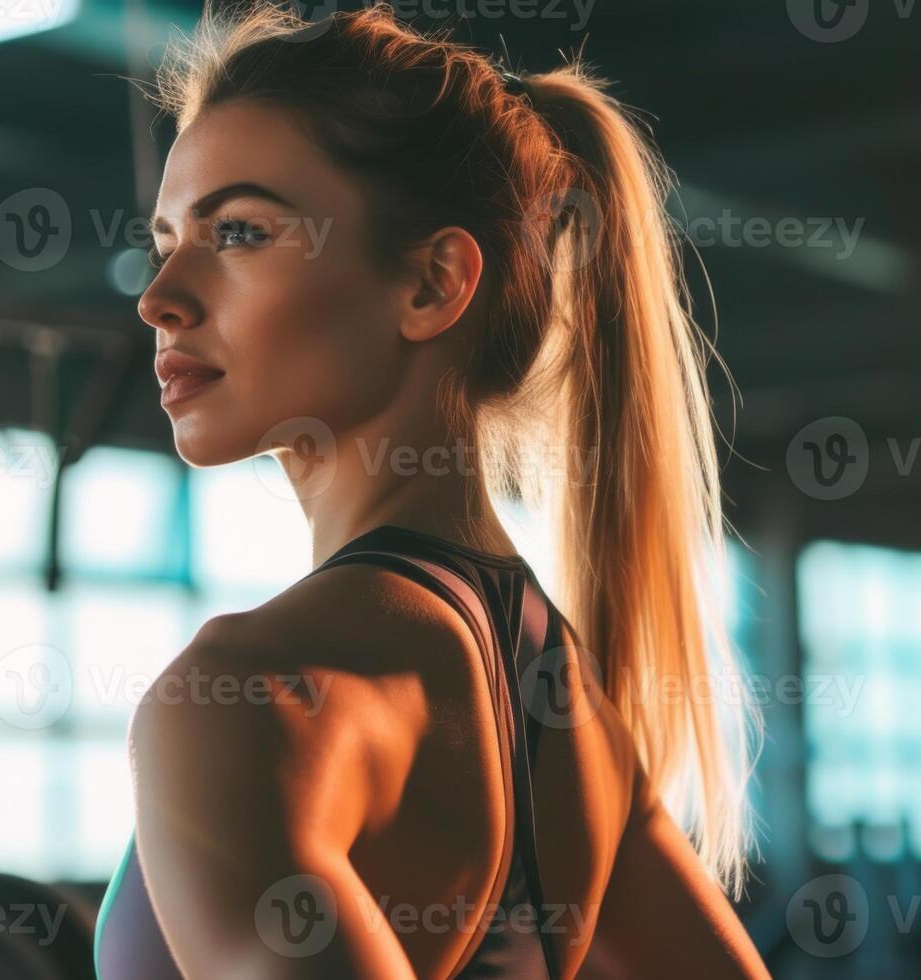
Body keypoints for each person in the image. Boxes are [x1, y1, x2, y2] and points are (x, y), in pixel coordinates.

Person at [95, 3, 768, 976]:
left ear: (432, 283)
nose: (160, 294)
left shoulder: (250, 693)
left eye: (239, 230)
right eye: (167, 237)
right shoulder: (576, 715)